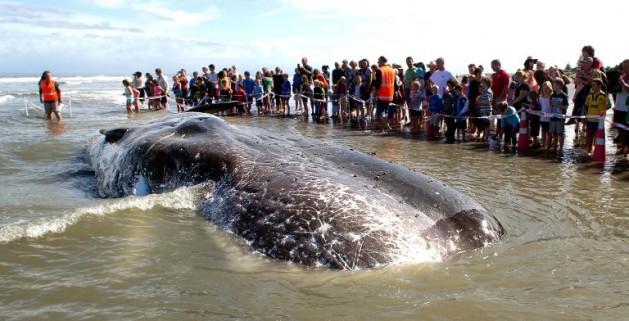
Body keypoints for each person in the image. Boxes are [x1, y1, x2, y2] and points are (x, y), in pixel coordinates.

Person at [584, 78, 608, 154]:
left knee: (597, 138)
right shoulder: (589, 95)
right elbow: (586, 106)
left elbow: (609, 105)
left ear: (599, 85)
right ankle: (588, 151)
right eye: (592, 85)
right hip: (590, 120)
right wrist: (585, 116)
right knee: (588, 137)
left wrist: (603, 114)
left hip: (598, 121)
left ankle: (596, 152)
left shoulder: (603, 95)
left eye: (594, 85)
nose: (592, 86)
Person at [374, 56, 396, 131]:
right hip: (390, 95)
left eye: (379, 61)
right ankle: (383, 130)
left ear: (383, 61)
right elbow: (395, 83)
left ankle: (387, 126)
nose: (378, 63)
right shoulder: (392, 70)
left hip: (382, 95)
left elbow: (378, 84)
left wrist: (375, 92)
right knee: (385, 113)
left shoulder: (380, 70)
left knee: (379, 114)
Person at [614, 59, 629, 155]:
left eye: (626, 67)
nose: (624, 69)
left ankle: (627, 148)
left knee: (627, 130)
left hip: (627, 109)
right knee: (620, 129)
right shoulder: (620, 77)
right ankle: (623, 148)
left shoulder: (623, 79)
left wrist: (623, 83)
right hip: (618, 106)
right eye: (623, 67)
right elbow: (613, 90)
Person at [550, 79, 569, 152]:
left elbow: (566, 107)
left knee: (560, 133)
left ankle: (561, 148)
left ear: (559, 86)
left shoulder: (564, 96)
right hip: (553, 116)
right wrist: (551, 105)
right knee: (554, 133)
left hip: (560, 117)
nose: (552, 86)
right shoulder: (553, 95)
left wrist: (559, 106)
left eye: (554, 85)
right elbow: (550, 104)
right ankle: (555, 147)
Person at [476, 77, 493, 142]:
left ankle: (486, 136)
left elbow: (488, 101)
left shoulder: (488, 91)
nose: (481, 83)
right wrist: (480, 97)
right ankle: (485, 136)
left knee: (486, 124)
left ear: (486, 83)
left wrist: (480, 101)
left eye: (482, 82)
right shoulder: (485, 90)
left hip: (487, 110)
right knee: (484, 123)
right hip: (483, 109)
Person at [539, 82, 553, 150]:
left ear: (549, 88)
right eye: (544, 88)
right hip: (542, 118)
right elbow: (541, 106)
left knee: (549, 132)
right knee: (543, 131)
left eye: (547, 88)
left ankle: (549, 146)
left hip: (550, 117)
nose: (545, 89)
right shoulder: (541, 97)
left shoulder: (551, 96)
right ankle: (543, 145)